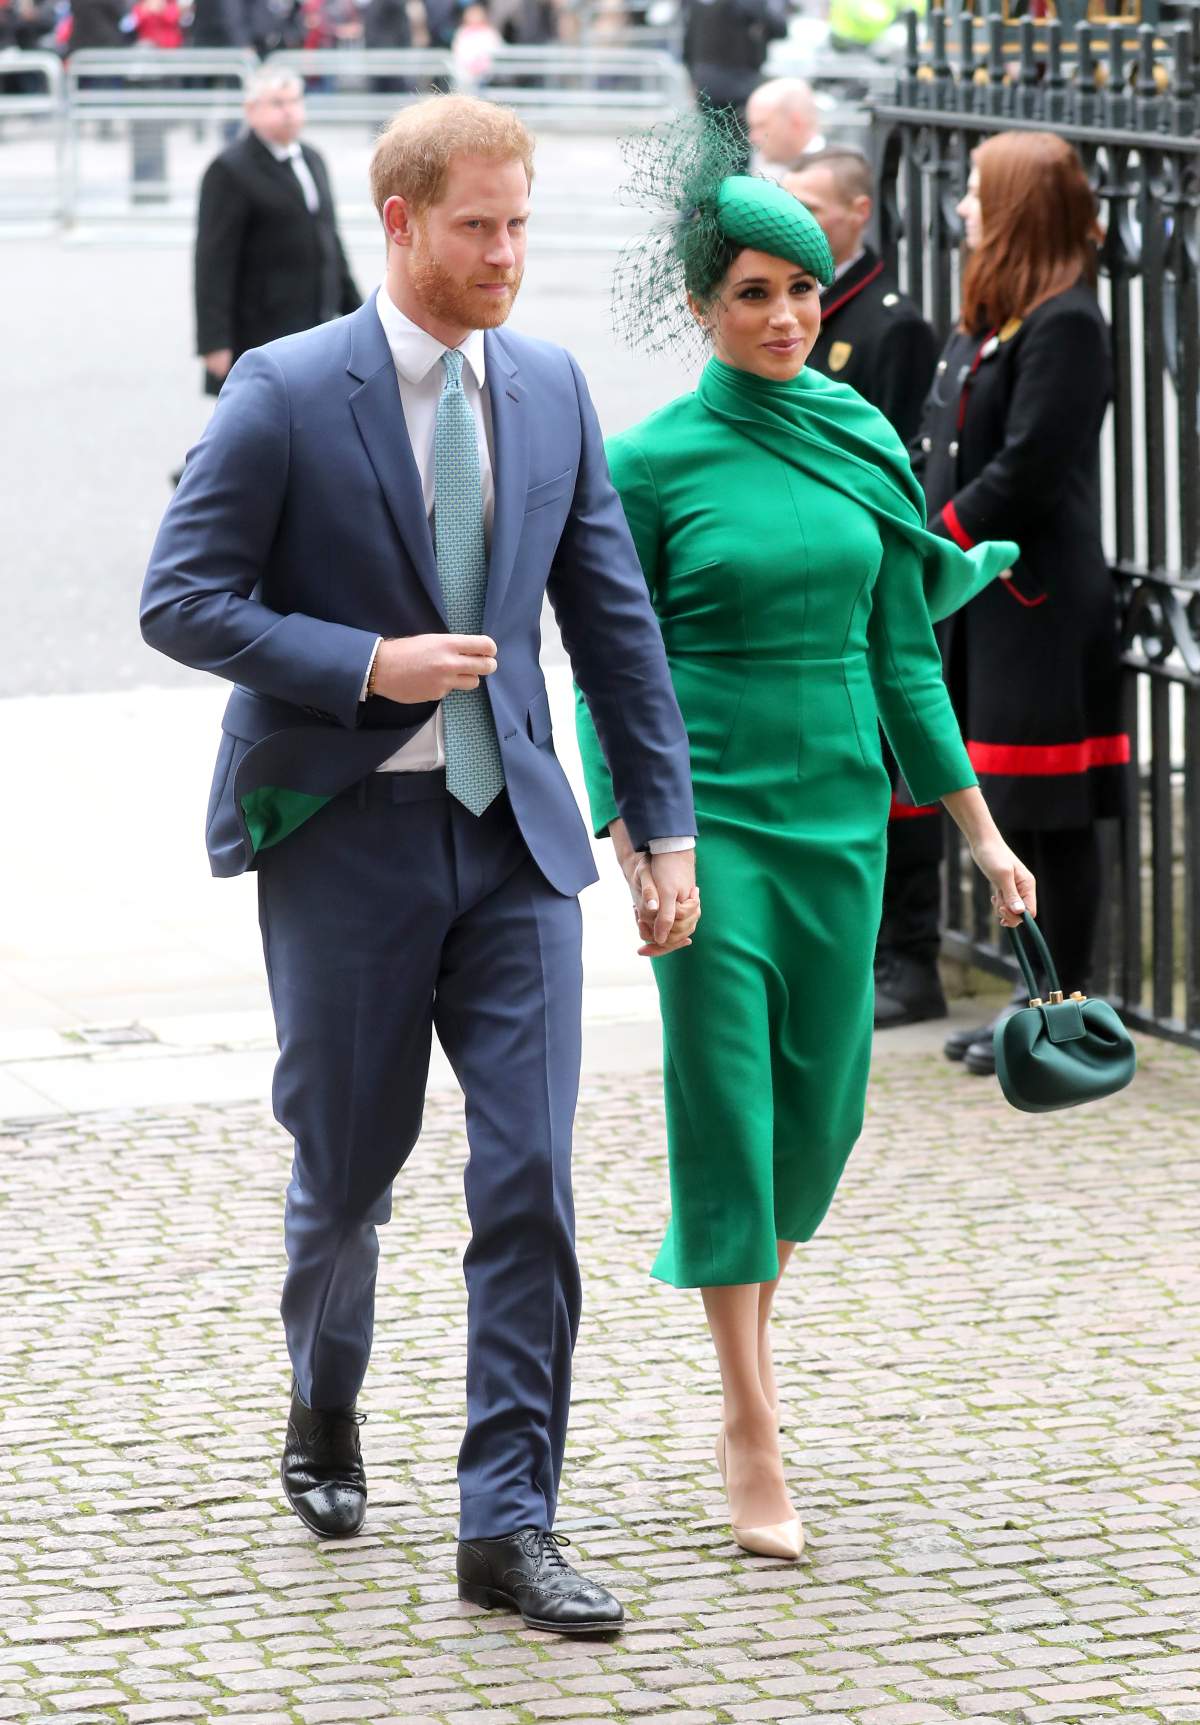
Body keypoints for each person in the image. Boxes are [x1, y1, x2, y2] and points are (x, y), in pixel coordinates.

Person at [141, 94, 698, 1635]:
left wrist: (662, 822)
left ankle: (506, 1521)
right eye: (478, 227)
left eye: (521, 223)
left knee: (529, 1176)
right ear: (399, 223)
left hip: (516, 839)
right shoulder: (284, 390)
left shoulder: (552, 385)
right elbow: (180, 599)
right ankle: (325, 1398)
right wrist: (364, 662)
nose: (508, 254)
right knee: (346, 1171)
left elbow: (613, 624)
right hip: (346, 843)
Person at [576, 112, 1035, 1562]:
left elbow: (905, 654)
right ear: (703, 307)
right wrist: (637, 837)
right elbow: (608, 661)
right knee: (726, 1107)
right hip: (704, 821)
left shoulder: (855, 437)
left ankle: (751, 1362)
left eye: (798, 287)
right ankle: (749, 1416)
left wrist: (978, 828)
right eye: (751, 294)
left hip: (842, 816)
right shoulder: (647, 464)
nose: (783, 314)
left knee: (818, 1119)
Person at [912, 132, 1129, 1076]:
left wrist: (940, 535)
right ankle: (1026, 992)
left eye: (973, 192)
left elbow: (1032, 465)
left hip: (1041, 603)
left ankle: (1062, 1006)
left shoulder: (1069, 321)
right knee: (1011, 807)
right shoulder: (997, 315)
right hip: (990, 597)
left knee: (1055, 808)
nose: (962, 208)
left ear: (1014, 208)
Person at [786, 146, 946, 1029]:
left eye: (814, 206)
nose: (800, 220)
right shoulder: (806, 307)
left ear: (856, 211)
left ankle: (908, 957)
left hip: (864, 575)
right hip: (803, 577)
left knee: (893, 768)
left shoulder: (889, 323)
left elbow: (894, 468)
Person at [193, 69, 361, 401]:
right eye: (277, 103)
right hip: (260, 328)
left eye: (295, 101)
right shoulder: (230, 170)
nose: (289, 111)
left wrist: (355, 310)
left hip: (315, 322)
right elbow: (213, 261)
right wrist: (214, 341)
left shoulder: (312, 159)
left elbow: (328, 239)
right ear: (251, 110)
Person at [682, 0, 790, 133]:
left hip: (706, 82)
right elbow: (779, 28)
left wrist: (693, 78)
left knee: (715, 140)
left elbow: (687, 44)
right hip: (737, 83)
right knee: (737, 140)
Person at [745, 77, 822, 178]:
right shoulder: (758, 163)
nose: (752, 138)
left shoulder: (833, 176)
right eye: (752, 127)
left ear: (797, 123)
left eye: (761, 125)